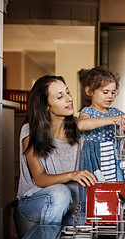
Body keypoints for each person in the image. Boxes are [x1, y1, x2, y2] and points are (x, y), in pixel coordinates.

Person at [17, 75, 97, 226]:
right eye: (60, 96)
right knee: (61, 193)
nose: (69, 99)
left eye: (67, 92)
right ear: (46, 105)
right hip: (37, 199)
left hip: (73, 206)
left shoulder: (80, 128)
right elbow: (40, 178)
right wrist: (72, 175)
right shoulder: (31, 131)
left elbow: (109, 129)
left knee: (91, 225)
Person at [77, 66, 125, 182]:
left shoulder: (115, 112)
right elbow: (82, 125)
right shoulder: (88, 111)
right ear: (89, 91)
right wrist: (112, 120)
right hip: (95, 157)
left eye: (113, 92)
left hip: (114, 156)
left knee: (116, 187)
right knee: (97, 189)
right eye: (105, 92)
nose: (110, 96)